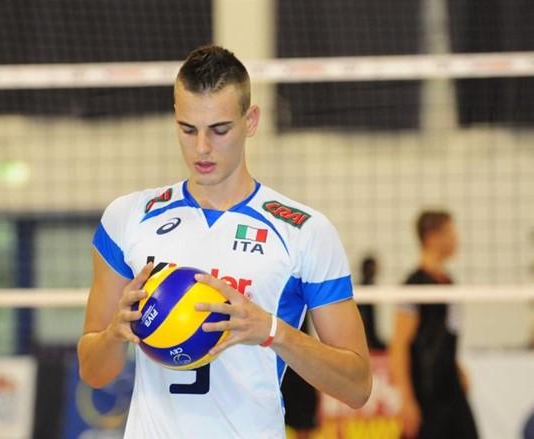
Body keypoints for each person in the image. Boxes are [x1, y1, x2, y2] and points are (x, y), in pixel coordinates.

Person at [77, 45, 371, 438]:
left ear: (251, 121)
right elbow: (93, 373)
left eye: (219, 130)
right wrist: (116, 334)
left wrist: (271, 331)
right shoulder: (127, 218)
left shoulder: (304, 232)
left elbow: (357, 387)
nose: (202, 147)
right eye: (187, 129)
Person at [389, 211, 478, 439]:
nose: (456, 238)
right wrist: (406, 399)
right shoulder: (415, 284)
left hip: (450, 386)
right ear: (431, 237)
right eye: (450, 232)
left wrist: (455, 366)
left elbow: (444, 333)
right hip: (425, 390)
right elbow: (399, 345)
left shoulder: (448, 282)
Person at [357, 255, 386, 350]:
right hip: (367, 338)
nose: (376, 270)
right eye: (373, 267)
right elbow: (365, 318)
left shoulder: (370, 286)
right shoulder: (363, 289)